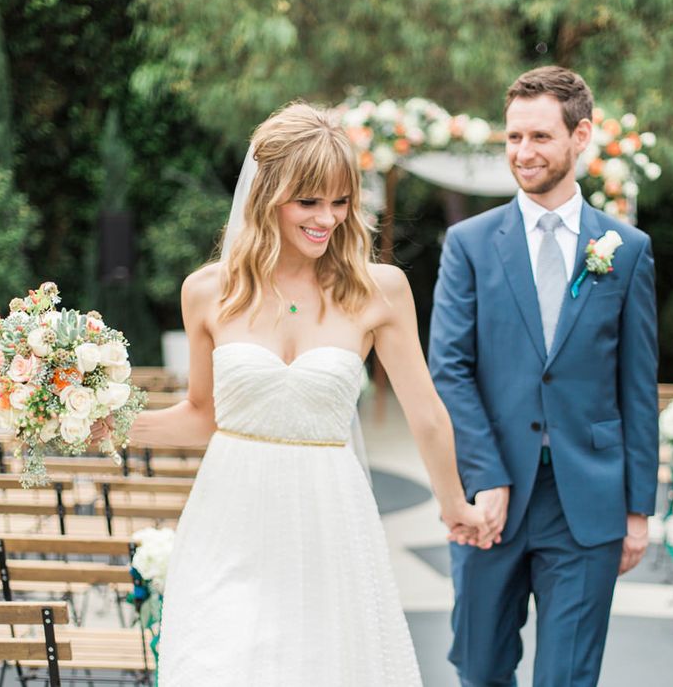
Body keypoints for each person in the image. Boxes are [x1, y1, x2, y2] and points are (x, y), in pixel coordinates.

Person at [114, 102, 494, 686]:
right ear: (266, 195)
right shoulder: (207, 292)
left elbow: (428, 418)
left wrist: (454, 507)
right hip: (228, 519)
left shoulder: (380, 291)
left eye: (341, 202)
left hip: (328, 521)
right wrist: (109, 421)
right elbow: (199, 417)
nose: (328, 219)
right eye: (309, 201)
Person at [428, 66, 659, 687]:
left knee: (568, 676)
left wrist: (638, 510)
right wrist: (486, 475)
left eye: (539, 137)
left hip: (587, 501)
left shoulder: (626, 248)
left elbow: (637, 387)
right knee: (480, 668)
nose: (523, 153)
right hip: (492, 496)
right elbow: (447, 368)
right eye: (513, 139)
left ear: (580, 136)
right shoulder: (470, 244)